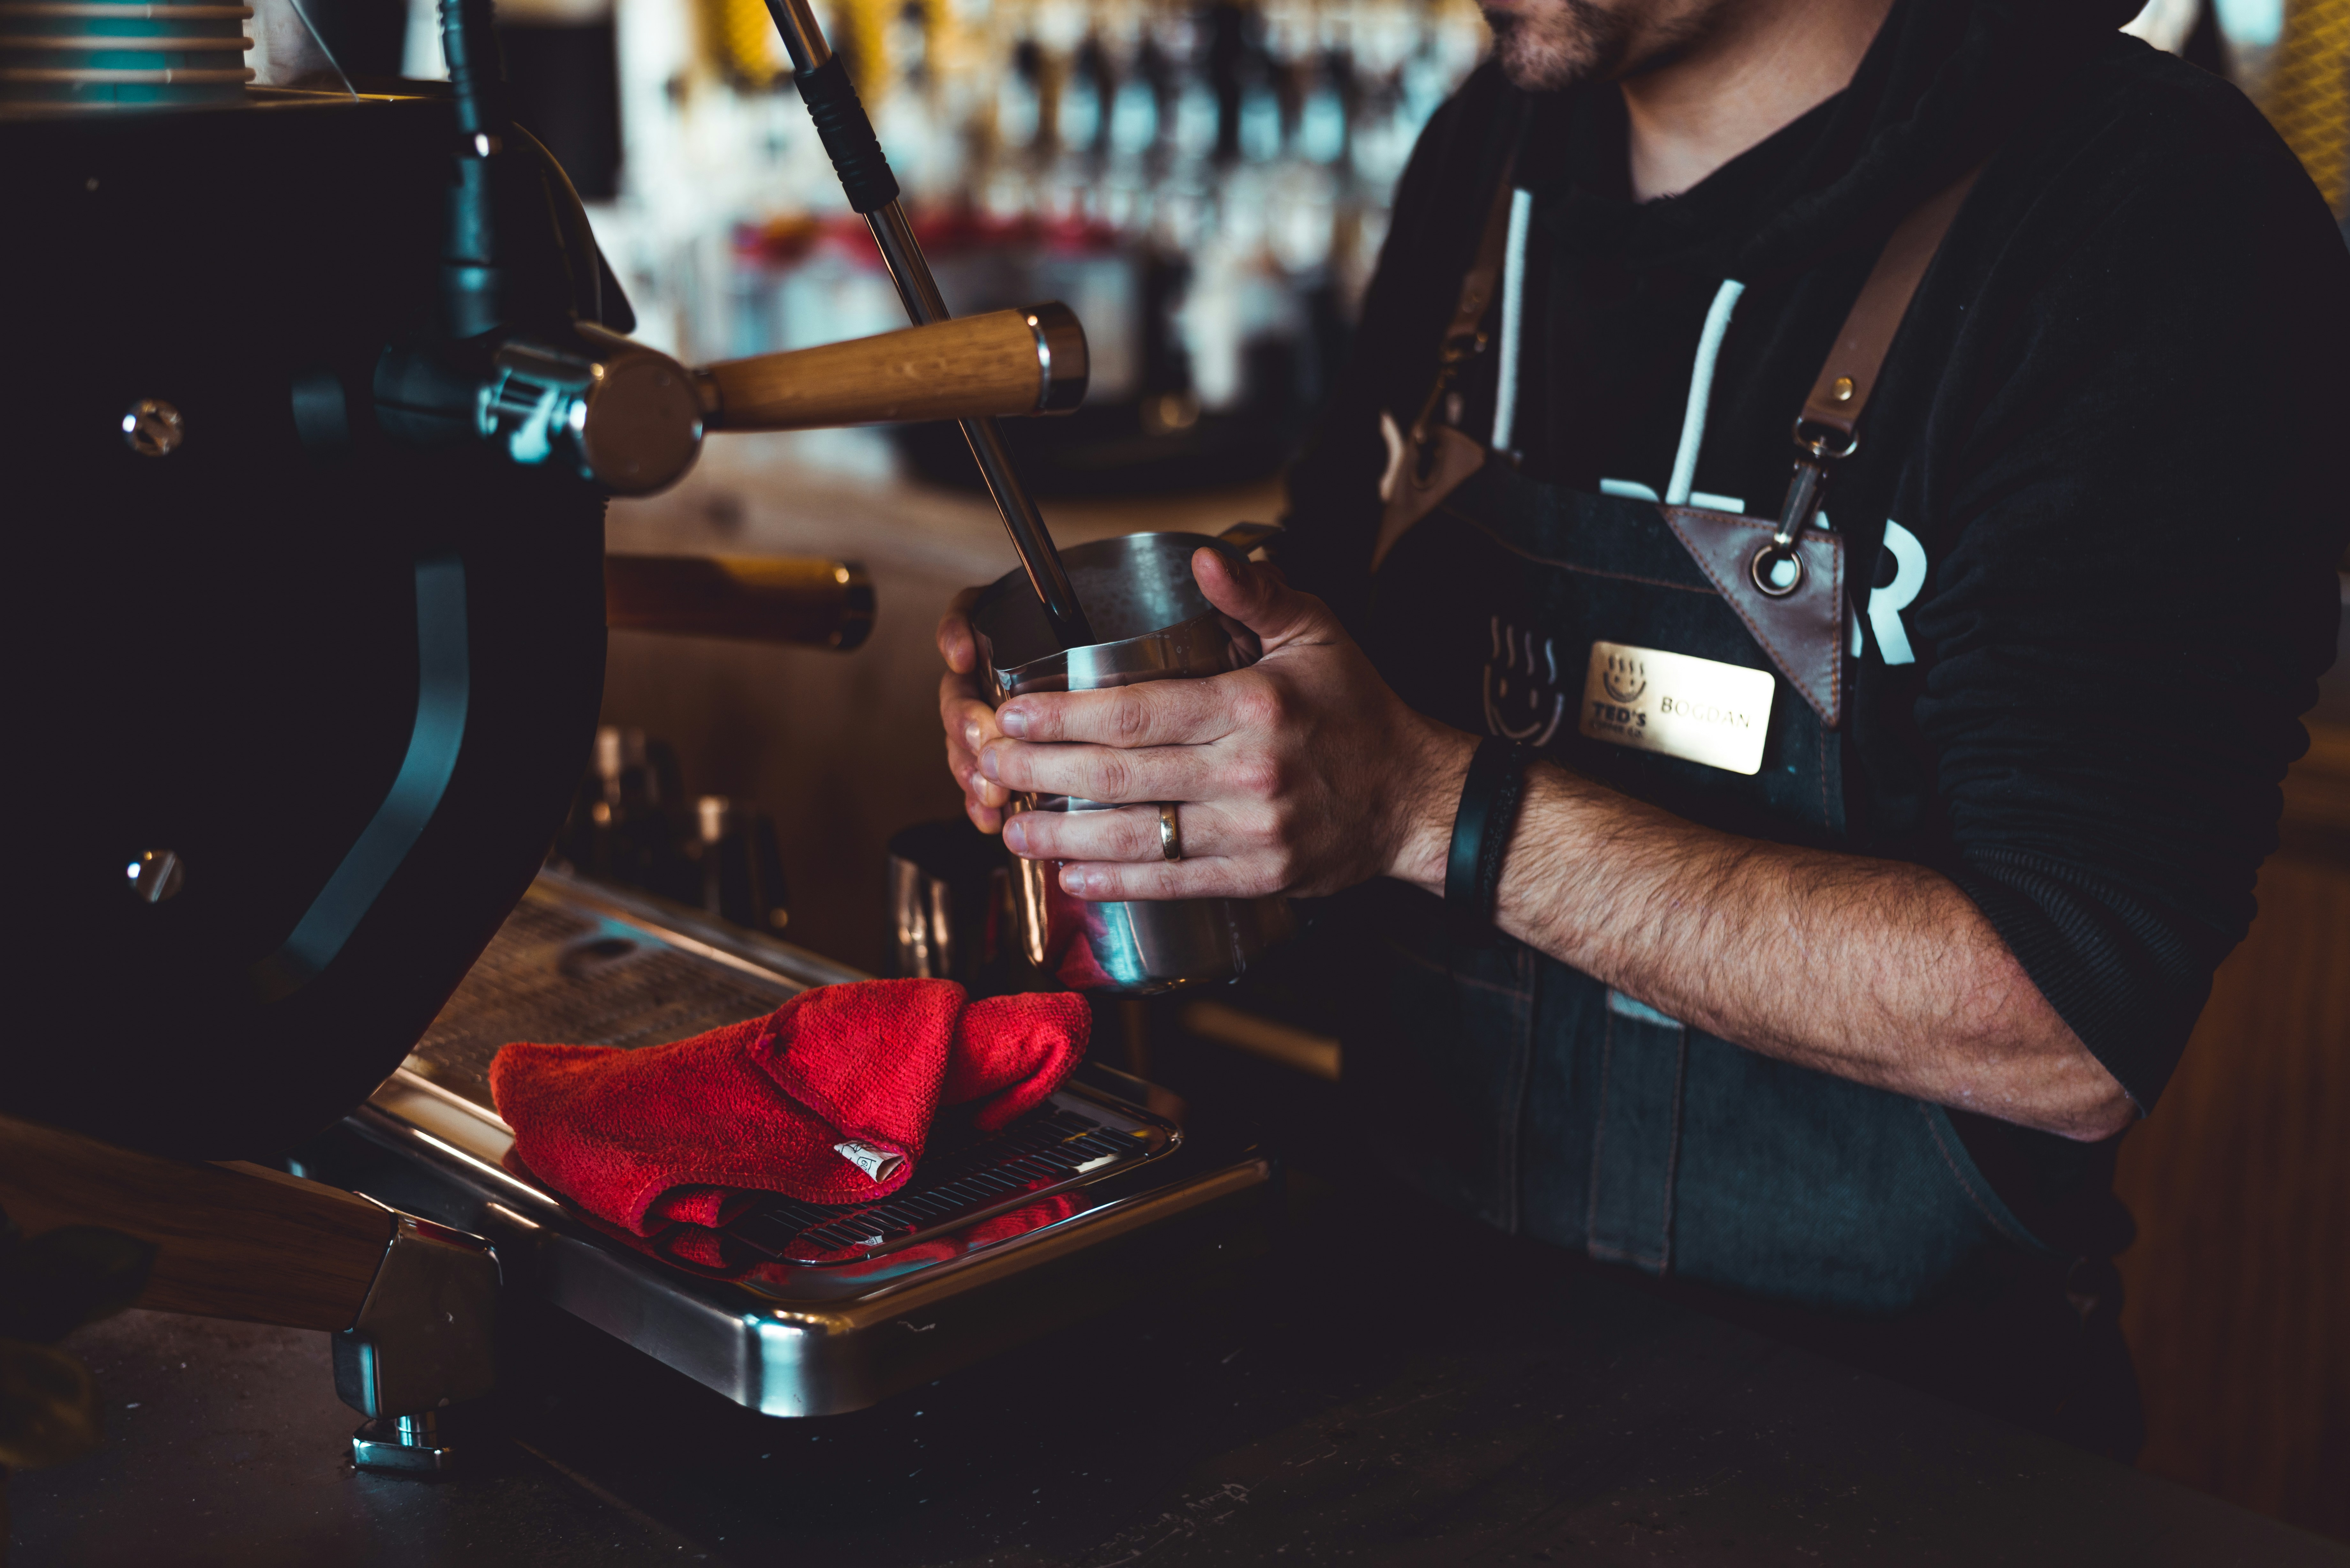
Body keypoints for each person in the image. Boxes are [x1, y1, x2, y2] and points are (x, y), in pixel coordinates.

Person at [936, 0, 2350, 1455]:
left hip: (1887, 1450)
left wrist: (1434, 812)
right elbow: (1336, 631)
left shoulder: (2142, 215)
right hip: (1397, 1363)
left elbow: (2069, 1022)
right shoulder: (1491, 152)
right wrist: (1175, 709)